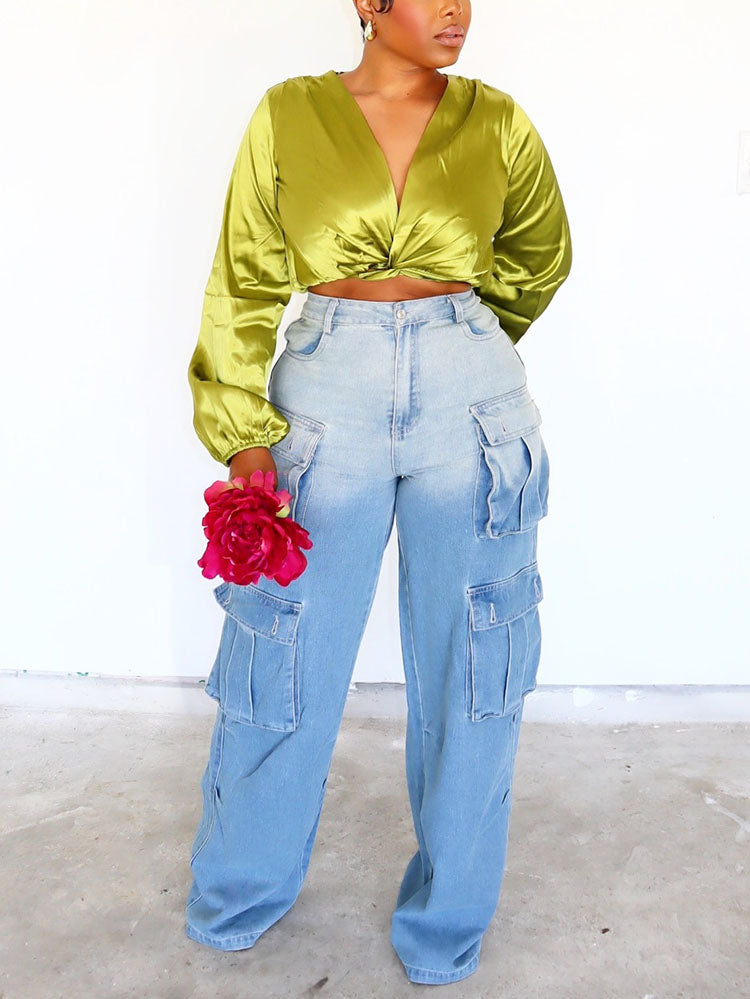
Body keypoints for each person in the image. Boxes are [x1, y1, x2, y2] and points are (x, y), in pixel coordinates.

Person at [184, 0, 572, 986]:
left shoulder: (498, 122)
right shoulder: (289, 113)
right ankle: (240, 889)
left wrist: (460, 341)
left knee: (475, 666)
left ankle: (447, 923)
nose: (455, 10)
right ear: (367, 2)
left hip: (470, 406)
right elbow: (243, 279)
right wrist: (242, 431)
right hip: (325, 398)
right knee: (280, 652)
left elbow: (541, 255)